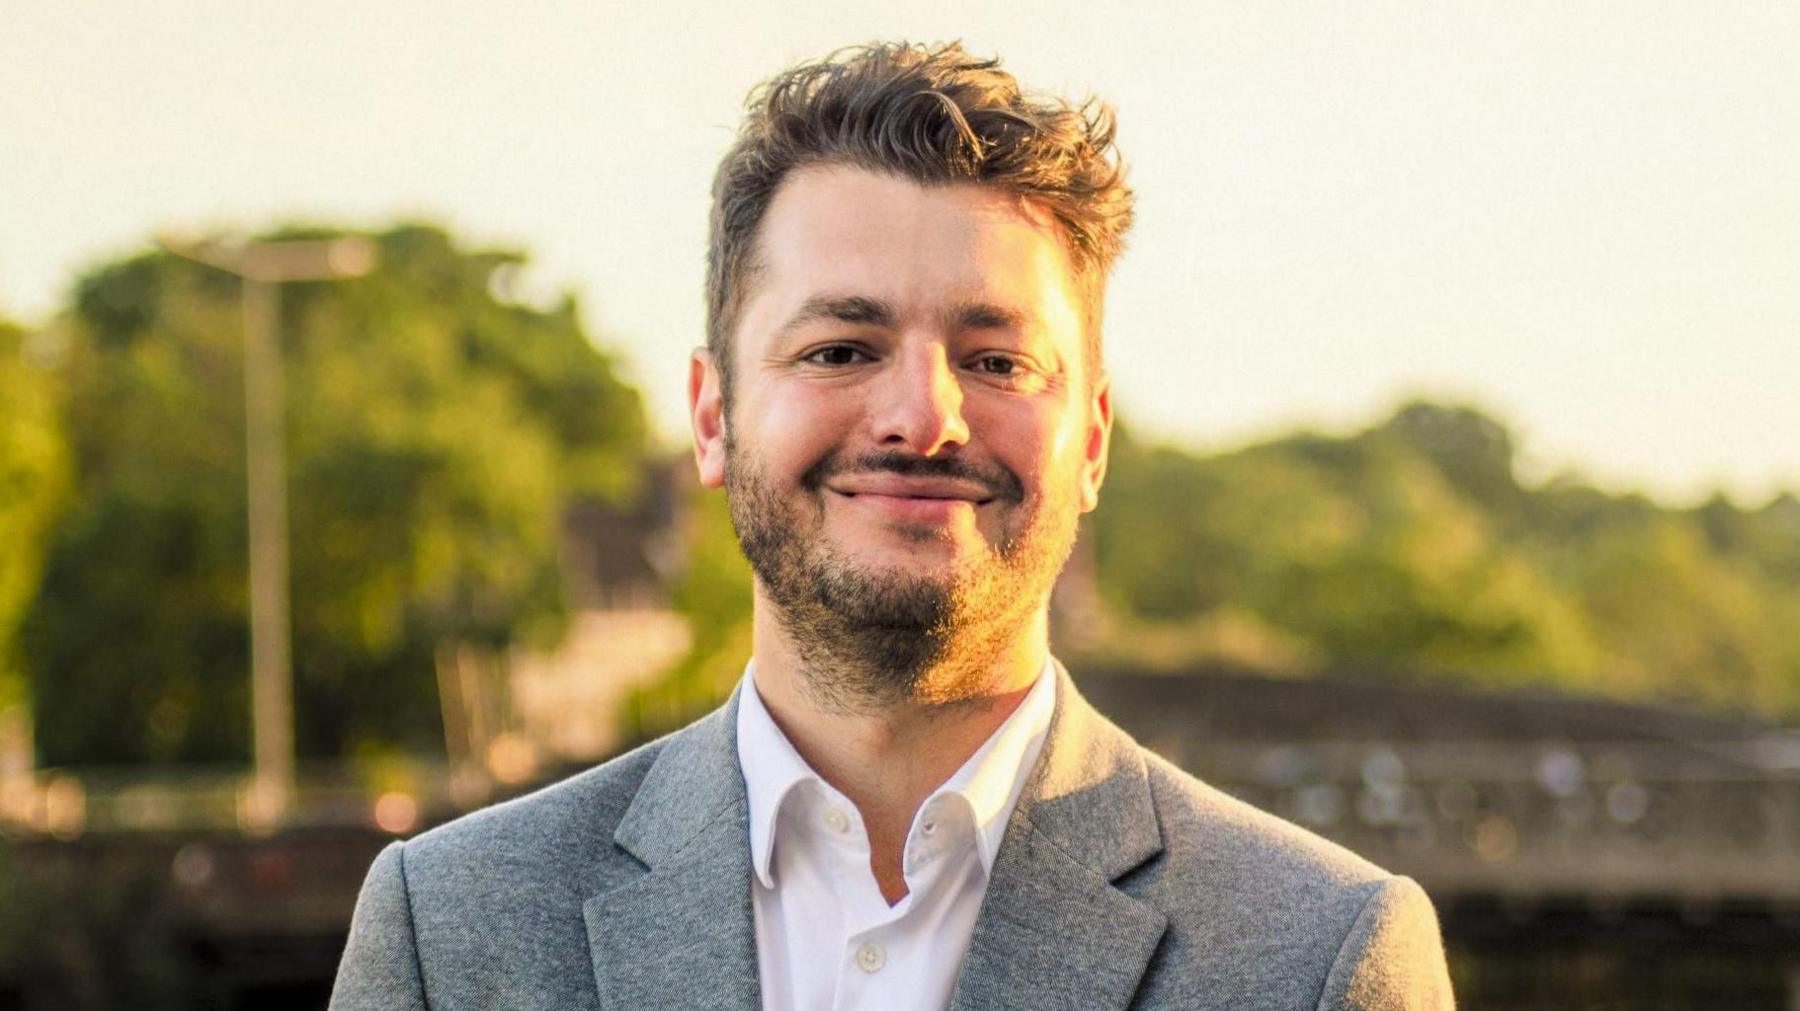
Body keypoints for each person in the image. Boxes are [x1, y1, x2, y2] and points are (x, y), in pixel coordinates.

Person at [330, 41, 1455, 1010]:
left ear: (1094, 440)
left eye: (997, 359)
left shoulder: (1323, 957)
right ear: (713, 416)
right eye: (840, 350)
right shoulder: (452, 934)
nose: (923, 417)